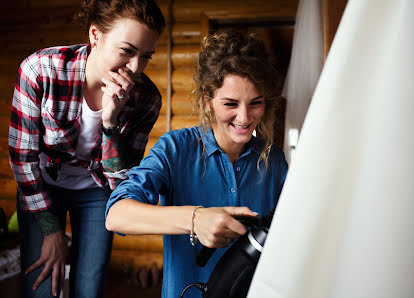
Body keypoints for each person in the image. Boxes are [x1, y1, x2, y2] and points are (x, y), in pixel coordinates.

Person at [105, 31, 289, 298]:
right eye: (230, 103)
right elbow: (116, 215)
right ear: (207, 100)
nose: (245, 117)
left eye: (256, 103)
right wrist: (195, 219)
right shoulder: (175, 149)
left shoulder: (273, 160)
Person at [8, 0, 165, 297]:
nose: (135, 68)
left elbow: (121, 183)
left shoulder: (146, 98)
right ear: (96, 35)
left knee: (89, 288)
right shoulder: (40, 70)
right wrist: (51, 230)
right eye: (126, 51)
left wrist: (110, 122)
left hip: (96, 190)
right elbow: (23, 158)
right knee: (41, 287)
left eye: (146, 57)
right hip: (41, 186)